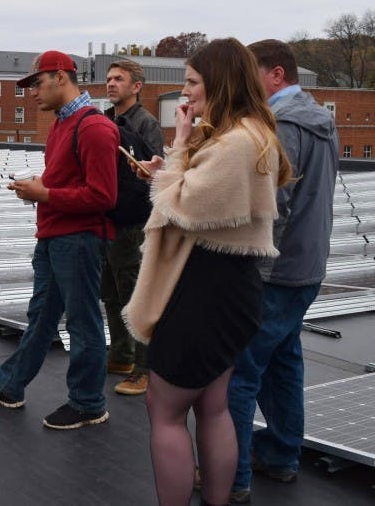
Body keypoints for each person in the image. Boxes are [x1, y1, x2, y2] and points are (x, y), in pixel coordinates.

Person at [122, 38, 291, 506]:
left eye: (193, 82)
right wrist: (174, 166)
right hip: (227, 287)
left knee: (166, 407)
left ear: (219, 82)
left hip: (203, 289)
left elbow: (181, 205)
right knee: (213, 406)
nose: (186, 93)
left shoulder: (238, 142)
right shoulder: (250, 135)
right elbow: (196, 192)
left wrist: (176, 148)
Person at [0, 51, 118, 431]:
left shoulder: (95, 128)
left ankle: (88, 403)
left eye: (37, 83)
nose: (32, 93)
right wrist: (39, 189)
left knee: (83, 323)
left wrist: (45, 195)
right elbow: (64, 181)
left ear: (61, 77)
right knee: (41, 319)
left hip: (80, 240)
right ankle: (10, 385)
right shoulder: (60, 125)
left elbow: (103, 197)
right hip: (55, 236)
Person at [227, 39, 339, 504]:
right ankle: (281, 454)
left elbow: (275, 206)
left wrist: (245, 264)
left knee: (239, 371)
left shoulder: (283, 123)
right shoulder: (320, 121)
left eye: (252, 75)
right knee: (284, 361)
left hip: (276, 271)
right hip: (307, 267)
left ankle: (230, 474)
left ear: (276, 75)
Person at [102, 59, 164, 396]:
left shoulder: (146, 124)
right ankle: (121, 355)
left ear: (136, 87)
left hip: (134, 223)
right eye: (109, 79)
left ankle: (144, 368)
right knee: (111, 293)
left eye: (119, 79)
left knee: (134, 295)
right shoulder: (108, 121)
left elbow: (152, 175)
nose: (111, 84)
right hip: (111, 219)